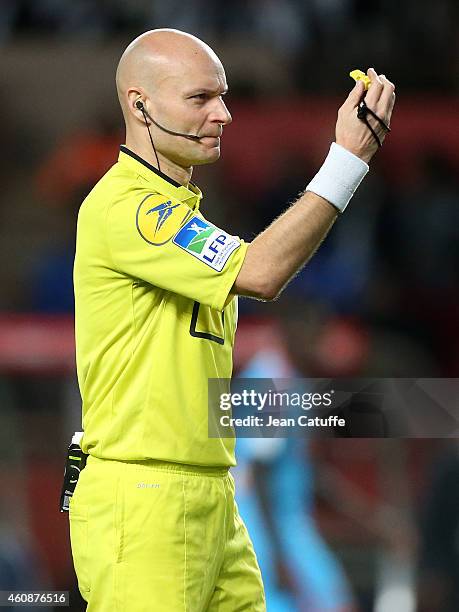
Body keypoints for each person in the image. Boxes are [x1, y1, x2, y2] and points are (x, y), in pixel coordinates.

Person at [68, 28, 395, 612]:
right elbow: (263, 273)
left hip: (211, 493)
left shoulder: (177, 211)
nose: (223, 113)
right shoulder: (130, 208)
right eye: (200, 98)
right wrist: (347, 161)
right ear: (140, 104)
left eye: (222, 96)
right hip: (147, 497)